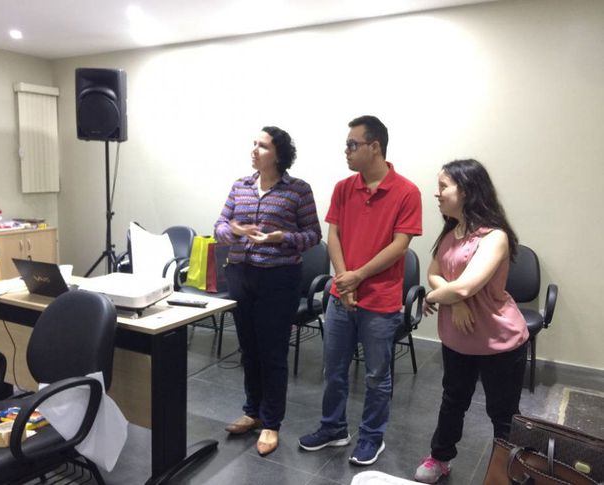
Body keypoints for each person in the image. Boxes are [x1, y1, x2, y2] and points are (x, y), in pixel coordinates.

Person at [299, 115, 422, 466]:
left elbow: (400, 246)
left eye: (353, 145)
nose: (347, 151)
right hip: (342, 296)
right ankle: (333, 428)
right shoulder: (343, 187)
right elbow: (333, 234)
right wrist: (343, 278)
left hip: (380, 300)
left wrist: (358, 277)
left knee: (376, 375)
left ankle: (371, 437)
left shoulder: (407, 192)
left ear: (375, 147)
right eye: (347, 145)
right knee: (333, 369)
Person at [413, 159, 529, 483]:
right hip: (458, 338)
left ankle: (506, 472)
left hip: (499, 340)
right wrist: (456, 301)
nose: (437, 194)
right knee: (453, 401)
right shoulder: (450, 232)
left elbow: (465, 285)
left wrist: (435, 297)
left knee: (503, 414)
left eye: (443, 187)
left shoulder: (494, 236)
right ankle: (440, 458)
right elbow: (434, 273)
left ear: (465, 190)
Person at [215, 126, 321, 456]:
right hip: (241, 275)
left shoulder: (297, 190)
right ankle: (253, 411)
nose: (254, 150)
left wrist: (281, 238)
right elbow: (219, 226)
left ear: (279, 154)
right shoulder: (240, 186)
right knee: (248, 349)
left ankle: (271, 422)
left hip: (279, 278)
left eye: (262, 146)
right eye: (254, 144)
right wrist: (234, 231)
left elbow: (313, 235)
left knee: (272, 353)